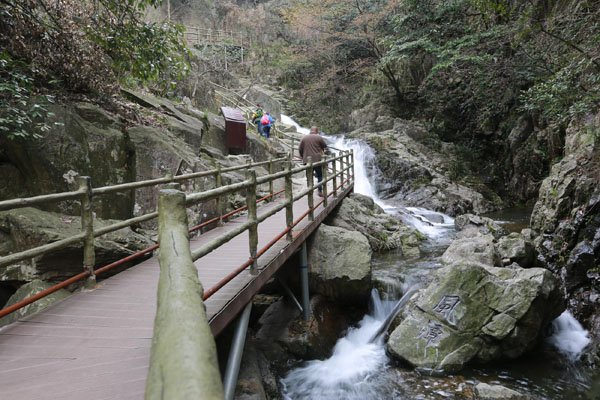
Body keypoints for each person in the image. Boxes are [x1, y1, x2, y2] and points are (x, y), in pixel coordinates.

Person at [298, 126, 328, 197]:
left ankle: (310, 190)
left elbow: (300, 149)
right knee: (320, 175)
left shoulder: (304, 138)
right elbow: (325, 146)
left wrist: (303, 157)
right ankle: (320, 191)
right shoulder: (319, 137)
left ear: (310, 130)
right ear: (317, 131)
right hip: (317, 160)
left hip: (307, 160)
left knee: (309, 176)